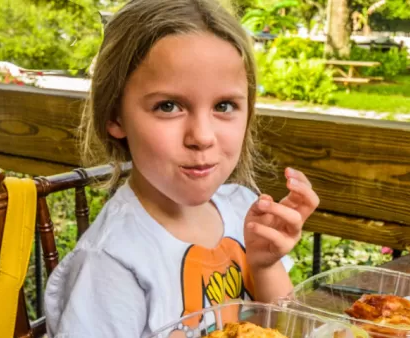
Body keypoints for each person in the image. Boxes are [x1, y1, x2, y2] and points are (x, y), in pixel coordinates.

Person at [43, 0, 320, 337]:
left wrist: (264, 264)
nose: (202, 137)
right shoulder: (111, 263)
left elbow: (283, 329)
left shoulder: (241, 208)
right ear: (115, 116)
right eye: (168, 106)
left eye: (224, 105)